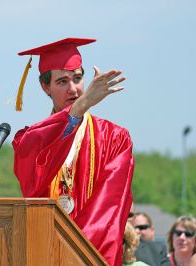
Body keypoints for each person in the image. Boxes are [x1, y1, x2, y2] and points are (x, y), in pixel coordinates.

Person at [12, 37, 134, 265]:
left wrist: (71, 254)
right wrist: (77, 111)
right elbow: (32, 185)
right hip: (41, 252)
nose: (74, 89)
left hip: (87, 256)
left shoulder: (116, 139)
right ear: (45, 87)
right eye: (62, 81)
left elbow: (108, 212)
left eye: (78, 79)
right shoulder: (28, 139)